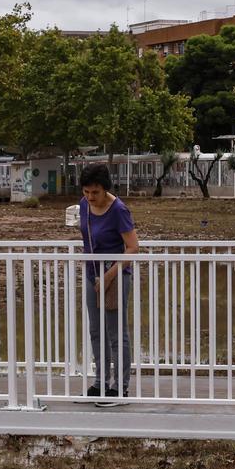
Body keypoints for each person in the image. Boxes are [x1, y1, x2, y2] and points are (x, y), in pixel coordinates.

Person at [76, 162, 137, 399]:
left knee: (116, 332)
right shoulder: (84, 205)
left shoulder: (119, 210)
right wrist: (96, 277)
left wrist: (109, 276)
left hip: (115, 276)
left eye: (96, 192)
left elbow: (132, 248)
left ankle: (120, 386)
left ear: (105, 189)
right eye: (86, 191)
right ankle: (100, 381)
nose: (91, 197)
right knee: (96, 330)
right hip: (93, 275)